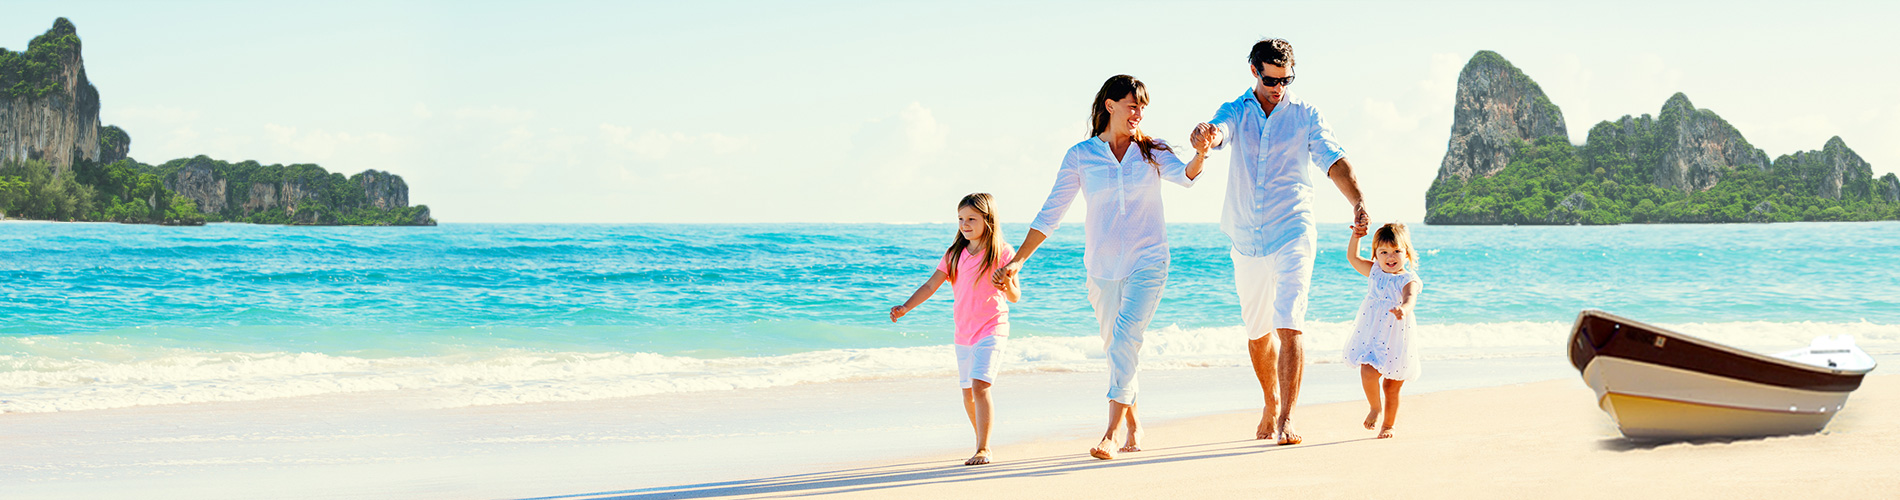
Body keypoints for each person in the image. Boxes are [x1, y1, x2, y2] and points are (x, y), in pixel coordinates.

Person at [994, 75, 1207, 460]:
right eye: (1132, 104)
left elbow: (1187, 176)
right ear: (1110, 106)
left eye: (1143, 106)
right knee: (1118, 349)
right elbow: (1051, 212)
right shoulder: (1081, 156)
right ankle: (1135, 423)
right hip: (1102, 269)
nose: (1138, 113)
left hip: (1149, 261)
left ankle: (1109, 432)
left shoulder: (1152, 150)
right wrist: (1019, 260)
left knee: (1125, 340)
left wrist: (1202, 153)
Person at [1189, 38, 1370, 445]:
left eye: (1286, 79)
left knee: (1289, 322)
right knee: (1257, 332)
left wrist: (1358, 202)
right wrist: (1206, 136)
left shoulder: (1305, 114)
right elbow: (1219, 131)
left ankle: (1287, 418)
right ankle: (1270, 401)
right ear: (1255, 71)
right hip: (1245, 236)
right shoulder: (1236, 109)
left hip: (1293, 228)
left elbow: (1334, 160)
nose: (1279, 87)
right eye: (1272, 79)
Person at [890, 193, 1021, 466]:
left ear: (988, 220)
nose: (965, 224)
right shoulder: (953, 255)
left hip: (992, 328)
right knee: (967, 392)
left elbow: (1015, 296)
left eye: (972, 219)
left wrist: (1005, 284)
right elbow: (929, 286)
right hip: (963, 334)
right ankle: (980, 442)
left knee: (980, 385)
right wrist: (905, 307)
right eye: (961, 219)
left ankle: (984, 449)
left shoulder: (1002, 252)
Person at [1342, 222, 1422, 439]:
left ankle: (1388, 425)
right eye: (1383, 252)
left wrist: (1403, 309)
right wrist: (1356, 236)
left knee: (1391, 387)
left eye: (1397, 251)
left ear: (1407, 253)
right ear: (1376, 254)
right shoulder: (1375, 272)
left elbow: (1410, 297)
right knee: (1367, 371)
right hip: (1372, 335)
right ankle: (1375, 407)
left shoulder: (1408, 279)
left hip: (1397, 337)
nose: (1390, 257)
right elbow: (1353, 258)